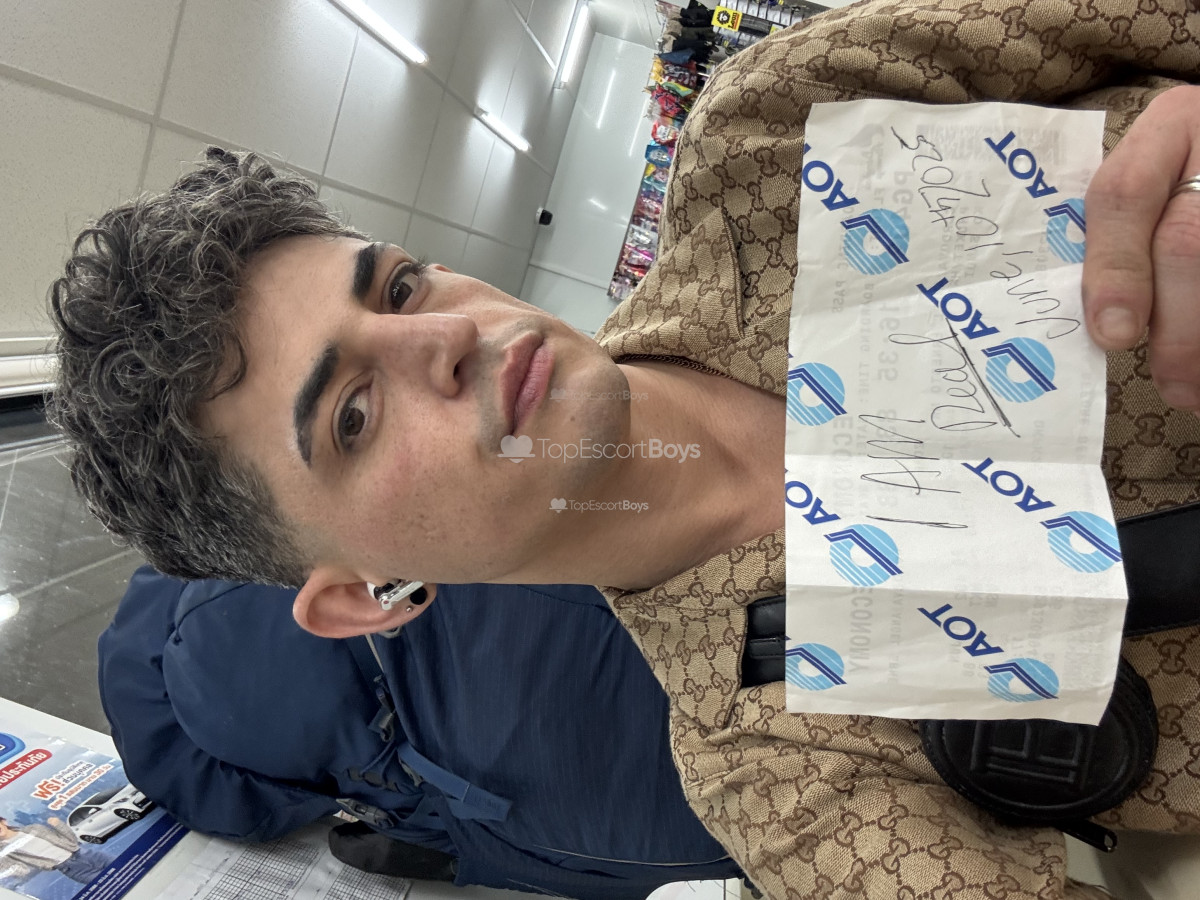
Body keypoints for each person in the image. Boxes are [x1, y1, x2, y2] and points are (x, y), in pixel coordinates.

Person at [46, 0, 1200, 897]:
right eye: (353, 413)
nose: (447, 337)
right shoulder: (781, 771)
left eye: (398, 286)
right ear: (361, 598)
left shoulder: (779, 140)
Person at [100, 567, 740, 899]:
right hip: (751, 609)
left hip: (727, 825)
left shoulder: (203, 752)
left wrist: (456, 856)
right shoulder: (408, 532)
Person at [0, 814, 113, 885]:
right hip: (72, 869)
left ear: (4, 822)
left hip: (87, 854)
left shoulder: (34, 828)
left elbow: (72, 840)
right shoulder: (4, 853)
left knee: (123, 868)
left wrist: (59, 825)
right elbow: (22, 871)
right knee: (109, 888)